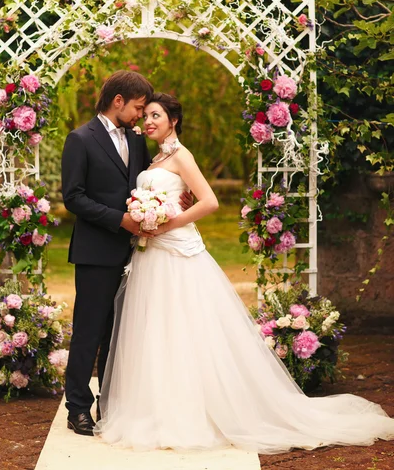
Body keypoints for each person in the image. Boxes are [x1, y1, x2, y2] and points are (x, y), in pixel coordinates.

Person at [95, 92, 394, 453]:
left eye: (156, 115)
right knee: (156, 329)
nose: (149, 122)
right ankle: (155, 406)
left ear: (174, 120)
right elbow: (178, 196)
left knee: (183, 328)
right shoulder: (156, 157)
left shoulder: (182, 156)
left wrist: (167, 223)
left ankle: (192, 413)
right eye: (147, 117)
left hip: (176, 252)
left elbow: (210, 201)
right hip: (151, 254)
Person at [61, 72, 190, 436]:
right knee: (89, 331)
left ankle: (112, 402)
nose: (140, 116)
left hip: (138, 254)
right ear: (118, 101)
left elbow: (146, 182)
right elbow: (74, 197)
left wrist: (174, 199)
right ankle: (78, 408)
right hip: (95, 252)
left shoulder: (136, 143)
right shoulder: (80, 140)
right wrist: (121, 220)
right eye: (137, 108)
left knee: (119, 332)